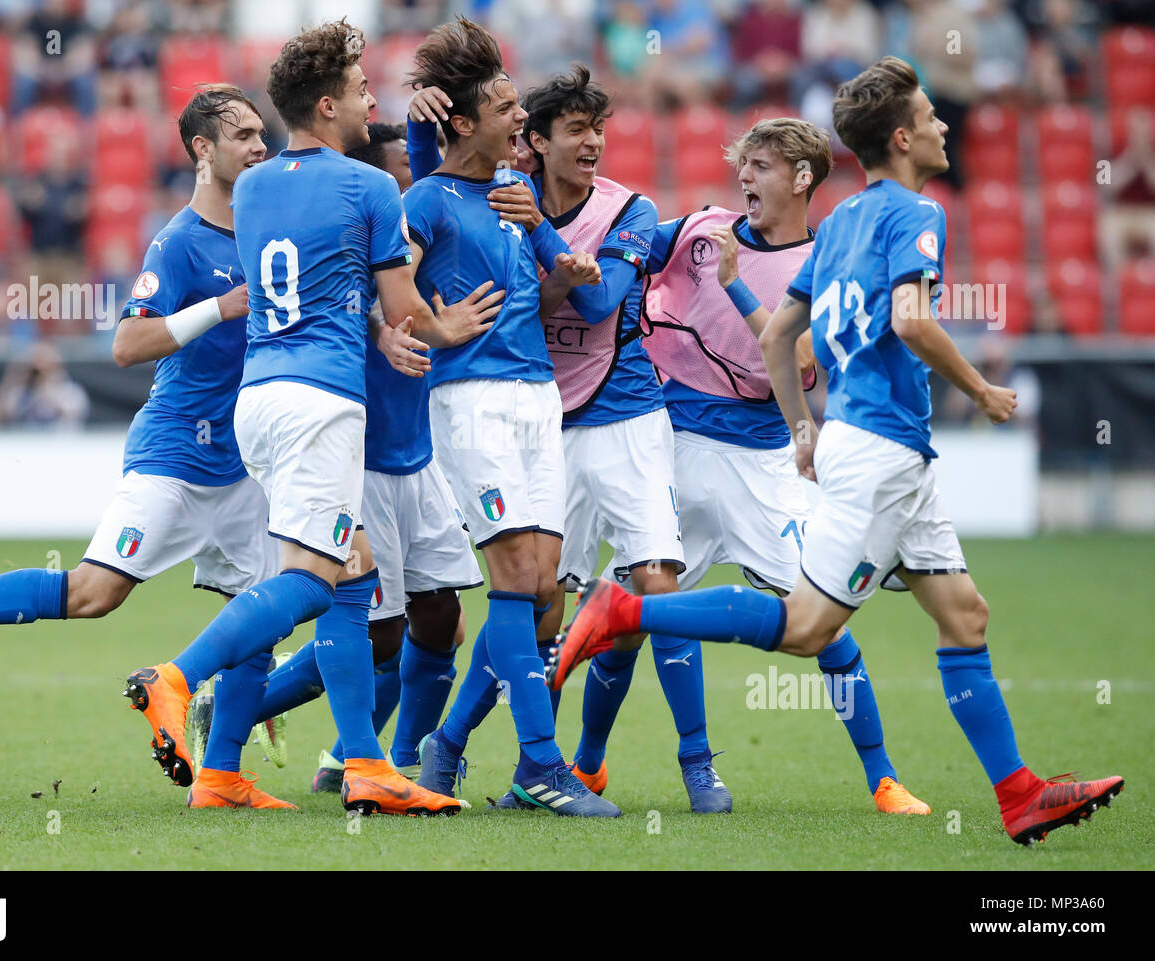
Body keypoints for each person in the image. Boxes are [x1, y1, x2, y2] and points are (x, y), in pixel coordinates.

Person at [551, 57, 1124, 845]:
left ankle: (1018, 792)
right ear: (901, 137)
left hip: (881, 449)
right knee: (809, 627)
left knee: (965, 616)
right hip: (880, 447)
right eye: (930, 116)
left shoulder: (850, 218)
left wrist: (801, 427)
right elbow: (916, 322)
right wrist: (983, 393)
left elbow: (783, 334)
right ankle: (627, 609)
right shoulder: (920, 214)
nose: (944, 125)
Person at [0, 85, 295, 810]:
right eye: (244, 135)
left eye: (262, 134)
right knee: (94, 594)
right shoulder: (180, 240)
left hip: (242, 462)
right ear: (202, 149)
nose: (259, 146)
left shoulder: (264, 230)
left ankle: (220, 778)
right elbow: (127, 343)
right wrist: (219, 307)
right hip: (175, 456)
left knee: (256, 615)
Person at [117, 21, 492, 817]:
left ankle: (362, 764)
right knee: (314, 580)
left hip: (261, 396)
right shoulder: (370, 188)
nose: (369, 100)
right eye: (359, 89)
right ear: (328, 105)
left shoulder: (254, 187)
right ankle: (177, 679)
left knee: (349, 571)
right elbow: (405, 309)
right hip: (323, 402)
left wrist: (374, 321)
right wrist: (437, 327)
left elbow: (318, 283)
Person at [617, 116, 928, 815]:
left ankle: (882, 778)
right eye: (743, 164)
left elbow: (802, 360)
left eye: (759, 166)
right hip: (676, 443)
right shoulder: (703, 229)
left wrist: (733, 286)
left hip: (766, 463)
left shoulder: (826, 263)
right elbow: (625, 252)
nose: (744, 178)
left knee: (823, 623)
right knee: (642, 611)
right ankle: (613, 764)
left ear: (802, 177)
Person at [218, 123, 487, 794]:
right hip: (355, 452)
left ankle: (402, 759)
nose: (409, 185)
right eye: (398, 171)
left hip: (416, 452)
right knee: (378, 631)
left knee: (441, 616)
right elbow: (365, 302)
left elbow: (433, 175)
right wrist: (389, 330)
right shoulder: (346, 241)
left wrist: (426, 123)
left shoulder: (411, 225)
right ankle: (228, 706)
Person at [399, 17, 620, 817]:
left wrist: (562, 264)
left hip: (538, 399)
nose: (518, 120)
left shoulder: (514, 196)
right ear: (463, 122)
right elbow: (394, 291)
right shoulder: (425, 197)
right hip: (474, 403)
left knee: (544, 595)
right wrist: (436, 324)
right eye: (503, 109)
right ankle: (539, 765)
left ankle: (446, 747)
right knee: (516, 580)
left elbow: (550, 291)